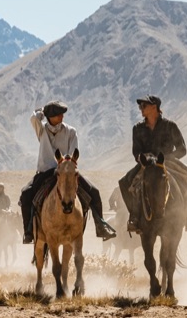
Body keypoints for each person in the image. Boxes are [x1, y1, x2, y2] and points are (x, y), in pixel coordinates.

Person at [18, 100, 117, 244]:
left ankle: (100, 226)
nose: (62, 117)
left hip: (67, 171)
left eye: (62, 114)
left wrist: (65, 166)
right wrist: (42, 110)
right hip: (46, 171)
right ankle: (28, 232)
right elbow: (34, 118)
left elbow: (72, 153)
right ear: (49, 116)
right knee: (26, 193)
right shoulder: (42, 129)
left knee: (94, 192)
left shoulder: (71, 131)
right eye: (58, 115)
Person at [118, 95, 187, 234]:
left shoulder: (170, 126)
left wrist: (166, 157)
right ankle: (134, 218)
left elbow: (182, 149)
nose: (141, 109)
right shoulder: (137, 128)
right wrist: (143, 158)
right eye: (140, 106)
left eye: (144, 106)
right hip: (147, 164)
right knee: (124, 182)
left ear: (154, 107)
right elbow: (136, 152)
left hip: (167, 162)